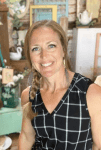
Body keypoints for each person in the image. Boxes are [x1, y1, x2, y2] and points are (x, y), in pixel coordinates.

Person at [18, 20, 101, 150]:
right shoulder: (29, 96)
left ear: (63, 49)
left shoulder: (91, 94)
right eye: (35, 49)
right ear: (29, 56)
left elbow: (99, 146)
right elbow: (27, 138)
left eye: (51, 46)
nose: (44, 56)